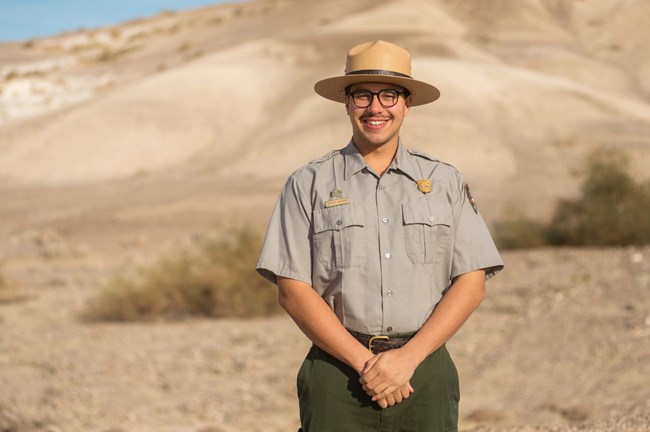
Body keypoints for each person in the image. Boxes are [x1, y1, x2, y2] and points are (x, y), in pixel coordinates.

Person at [256, 40, 504, 432]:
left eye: (389, 95)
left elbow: (472, 282)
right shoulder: (307, 184)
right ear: (346, 102)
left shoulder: (445, 181)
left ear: (407, 104)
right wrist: (364, 363)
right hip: (337, 374)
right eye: (363, 96)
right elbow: (292, 289)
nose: (376, 108)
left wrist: (407, 359)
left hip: (425, 369)